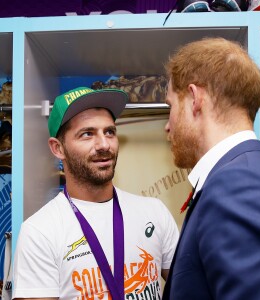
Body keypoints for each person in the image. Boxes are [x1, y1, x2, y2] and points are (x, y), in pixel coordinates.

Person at [162, 37, 260, 300]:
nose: (167, 126)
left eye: (171, 106)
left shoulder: (239, 185)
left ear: (194, 98)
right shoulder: (249, 172)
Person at [13, 87, 179, 299]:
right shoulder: (40, 232)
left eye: (109, 132)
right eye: (87, 134)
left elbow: (189, 286)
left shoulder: (154, 212)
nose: (103, 144)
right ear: (58, 148)